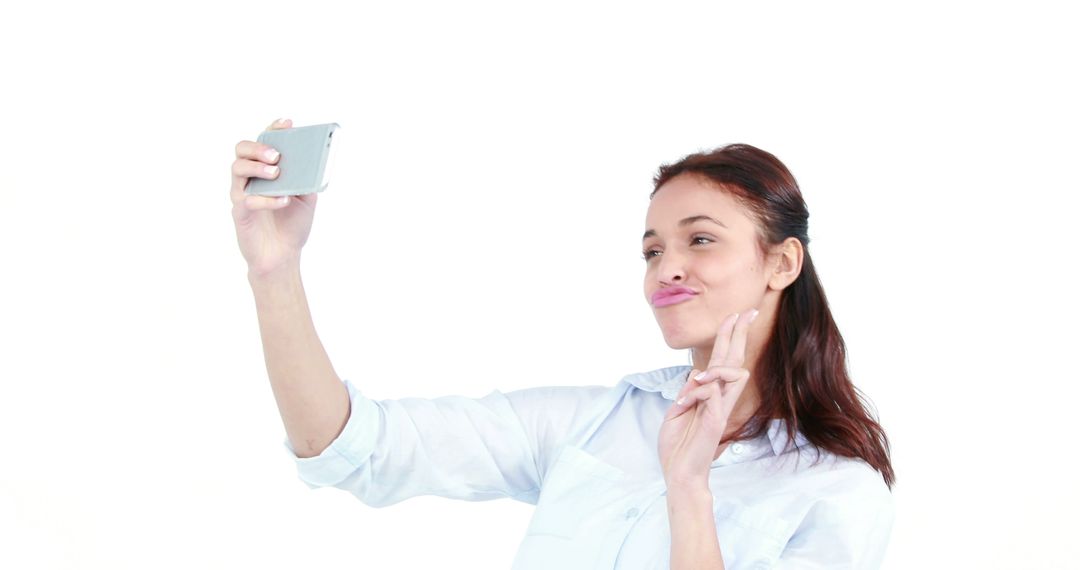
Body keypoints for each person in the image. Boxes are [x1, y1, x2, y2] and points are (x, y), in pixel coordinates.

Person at [230, 118, 895, 569]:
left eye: (700, 239)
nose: (665, 268)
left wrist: (688, 489)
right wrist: (275, 269)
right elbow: (349, 447)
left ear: (782, 263)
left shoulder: (837, 491)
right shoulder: (593, 424)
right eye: (652, 249)